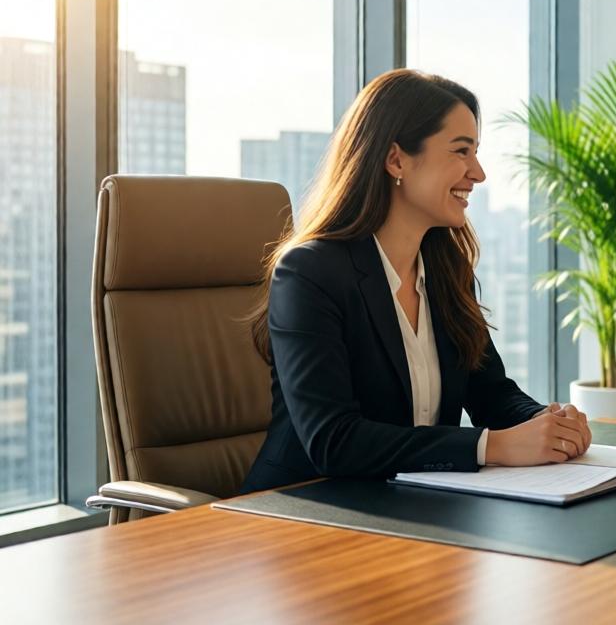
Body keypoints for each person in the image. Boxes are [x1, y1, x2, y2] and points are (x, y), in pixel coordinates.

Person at [242, 69, 591, 493]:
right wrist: (491, 446)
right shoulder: (309, 272)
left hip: (407, 506)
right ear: (396, 160)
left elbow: (492, 394)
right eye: (461, 152)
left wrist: (547, 423)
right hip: (300, 511)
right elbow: (334, 441)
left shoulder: (445, 271)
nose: (477, 173)